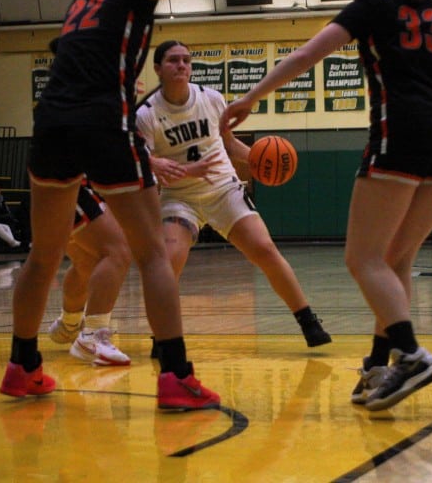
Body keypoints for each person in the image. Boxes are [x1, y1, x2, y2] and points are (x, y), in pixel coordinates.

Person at [221, 0, 432, 411]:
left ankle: (411, 354)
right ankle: (380, 361)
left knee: (362, 258)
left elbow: (308, 54)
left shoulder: (373, 4)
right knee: (396, 259)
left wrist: (250, 98)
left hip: (402, 136)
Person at [0, 0, 259, 412]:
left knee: (44, 255)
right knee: (151, 254)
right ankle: (177, 377)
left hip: (50, 121)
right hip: (102, 120)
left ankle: (22, 365)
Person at [136, 40, 332, 350]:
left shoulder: (212, 99)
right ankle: (163, 336)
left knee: (265, 249)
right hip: (179, 198)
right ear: (158, 69)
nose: (182, 65)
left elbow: (229, 145)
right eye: (174, 60)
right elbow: (145, 162)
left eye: (187, 59)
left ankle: (308, 321)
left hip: (223, 189)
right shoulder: (146, 114)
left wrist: (259, 160)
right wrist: (176, 168)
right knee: (169, 260)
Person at [47, 181, 132, 366]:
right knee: (117, 252)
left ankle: (69, 325)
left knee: (87, 263)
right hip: (75, 181)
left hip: (92, 184)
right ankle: (92, 336)